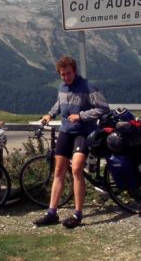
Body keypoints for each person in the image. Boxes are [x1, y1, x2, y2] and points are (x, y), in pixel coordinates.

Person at [33, 55, 110, 229]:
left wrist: (81, 116)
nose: (66, 77)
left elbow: (103, 108)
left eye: (68, 73)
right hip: (65, 131)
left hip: (83, 132)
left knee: (76, 169)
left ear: (74, 71)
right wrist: (50, 114)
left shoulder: (88, 86)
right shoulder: (62, 87)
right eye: (62, 74)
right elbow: (60, 103)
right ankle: (52, 212)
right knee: (59, 169)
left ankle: (77, 214)